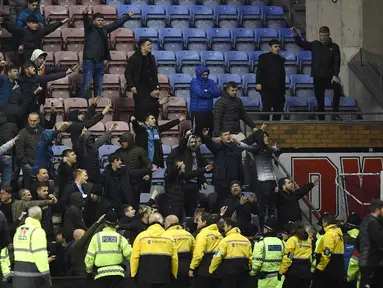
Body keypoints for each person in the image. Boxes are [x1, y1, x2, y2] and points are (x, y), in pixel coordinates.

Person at [79, 8, 134, 99]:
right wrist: (85, 14)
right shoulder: (90, 29)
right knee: (86, 86)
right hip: (89, 61)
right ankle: (81, 106)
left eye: (102, 20)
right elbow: (86, 22)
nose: (101, 22)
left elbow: (116, 24)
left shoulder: (105, 29)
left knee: (99, 88)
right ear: (94, 21)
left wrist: (127, 16)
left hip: (100, 62)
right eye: (98, 20)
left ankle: (96, 108)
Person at [292, 26, 342, 121]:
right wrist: (296, 35)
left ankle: (335, 114)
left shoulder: (334, 47)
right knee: (320, 99)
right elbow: (301, 43)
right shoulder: (315, 44)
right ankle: (321, 119)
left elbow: (337, 62)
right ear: (319, 35)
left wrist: (335, 75)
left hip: (330, 76)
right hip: (318, 76)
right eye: (321, 35)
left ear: (329, 35)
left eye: (325, 36)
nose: (323, 38)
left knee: (337, 89)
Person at [240, 129, 279, 229]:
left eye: (267, 137)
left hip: (272, 182)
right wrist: (237, 142)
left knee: (272, 208)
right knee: (262, 208)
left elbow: (274, 149)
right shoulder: (256, 149)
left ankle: (272, 228)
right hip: (263, 182)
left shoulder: (269, 149)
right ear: (260, 138)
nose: (267, 138)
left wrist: (277, 183)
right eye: (265, 137)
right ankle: (262, 229)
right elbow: (244, 146)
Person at [85, 209, 132, 287]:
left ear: (104, 223)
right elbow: (130, 254)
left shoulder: (97, 237)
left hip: (101, 275)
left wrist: (89, 271)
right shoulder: (120, 238)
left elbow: (89, 257)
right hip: (118, 275)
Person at [130, 213, 178, 288]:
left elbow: (134, 258)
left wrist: (133, 274)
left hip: (144, 278)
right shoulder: (169, 238)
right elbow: (174, 259)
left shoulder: (141, 236)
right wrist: (174, 274)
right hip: (164, 277)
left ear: (149, 221)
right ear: (162, 222)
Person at [167, 130, 208, 217]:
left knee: (193, 208)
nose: (193, 144)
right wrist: (185, 137)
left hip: (195, 185)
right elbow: (181, 146)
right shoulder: (183, 152)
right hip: (185, 184)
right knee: (184, 208)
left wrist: (204, 181)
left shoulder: (197, 153)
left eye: (194, 142)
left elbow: (199, 168)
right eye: (191, 142)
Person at [202, 128, 244, 212]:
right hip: (221, 183)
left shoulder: (235, 148)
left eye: (228, 134)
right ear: (221, 138)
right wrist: (206, 137)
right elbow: (210, 145)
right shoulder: (217, 147)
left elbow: (240, 165)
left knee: (234, 204)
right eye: (225, 135)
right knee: (221, 204)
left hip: (233, 181)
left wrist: (241, 181)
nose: (228, 136)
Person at [0, 15, 69, 61]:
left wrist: (62, 22)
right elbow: (12, 28)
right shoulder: (23, 31)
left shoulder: (40, 31)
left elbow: (51, 28)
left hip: (36, 58)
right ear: (28, 23)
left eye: (36, 23)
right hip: (25, 58)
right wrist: (3, 23)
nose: (35, 24)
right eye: (33, 23)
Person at [13, 206, 51, 288]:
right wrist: (46, 275)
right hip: (33, 277)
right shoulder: (38, 231)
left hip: (18, 274)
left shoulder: (19, 229)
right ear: (40, 216)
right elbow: (40, 255)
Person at [209, 218, 252, 288]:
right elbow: (250, 258)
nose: (224, 228)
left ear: (229, 226)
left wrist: (211, 270)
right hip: (244, 274)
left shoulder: (225, 241)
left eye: (225, 226)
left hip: (229, 275)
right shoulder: (246, 240)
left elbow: (217, 256)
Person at [115, 132, 152, 208]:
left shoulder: (139, 151)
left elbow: (148, 163)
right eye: (121, 142)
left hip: (136, 182)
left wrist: (147, 174)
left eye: (124, 142)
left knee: (135, 205)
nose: (122, 143)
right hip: (123, 182)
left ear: (129, 141)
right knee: (124, 205)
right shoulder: (118, 152)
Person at [125, 38, 159, 120]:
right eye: (148, 45)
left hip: (151, 89)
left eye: (151, 44)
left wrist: (157, 87)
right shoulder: (134, 58)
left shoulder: (151, 58)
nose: (150, 46)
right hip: (139, 89)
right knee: (141, 111)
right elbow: (128, 73)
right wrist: (132, 86)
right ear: (142, 47)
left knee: (154, 112)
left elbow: (154, 74)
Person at [189, 212, 223, 288]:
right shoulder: (220, 235)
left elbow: (198, 254)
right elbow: (220, 251)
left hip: (204, 270)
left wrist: (192, 267)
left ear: (204, 222)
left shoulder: (202, 234)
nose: (197, 222)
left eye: (199, 220)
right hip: (218, 269)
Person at [256, 39, 286, 121]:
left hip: (279, 90)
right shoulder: (263, 57)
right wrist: (258, 83)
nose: (277, 48)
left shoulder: (281, 59)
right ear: (270, 48)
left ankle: (276, 130)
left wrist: (283, 91)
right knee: (266, 109)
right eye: (275, 46)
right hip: (267, 89)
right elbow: (259, 71)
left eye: (279, 47)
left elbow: (282, 76)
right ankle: (264, 131)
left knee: (278, 110)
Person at [312, 214, 344, 288]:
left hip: (327, 270)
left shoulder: (329, 234)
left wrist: (320, 268)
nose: (322, 225)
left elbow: (326, 253)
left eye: (322, 223)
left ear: (325, 223)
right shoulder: (338, 234)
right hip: (337, 269)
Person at [251, 217, 284, 288]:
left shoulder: (260, 243)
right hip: (279, 281)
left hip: (264, 282)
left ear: (267, 229)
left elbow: (256, 263)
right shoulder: (282, 243)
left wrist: (252, 274)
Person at [163, 215, 195, 288]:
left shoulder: (165, 235)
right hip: (186, 269)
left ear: (167, 223)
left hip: (171, 269)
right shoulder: (189, 235)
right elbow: (195, 253)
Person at [357, 199, 383, 288]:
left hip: (366, 262)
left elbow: (357, 242)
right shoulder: (373, 223)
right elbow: (381, 241)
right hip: (372, 262)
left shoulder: (366, 221)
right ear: (377, 210)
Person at [279, 221, 312, 288]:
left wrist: (281, 271)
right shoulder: (308, 240)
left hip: (294, 272)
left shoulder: (292, 240)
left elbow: (289, 257)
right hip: (306, 272)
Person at [190, 66, 221, 136]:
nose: (205, 76)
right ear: (199, 74)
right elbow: (200, 93)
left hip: (209, 112)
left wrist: (208, 90)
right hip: (197, 112)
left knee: (209, 134)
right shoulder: (194, 82)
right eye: (203, 75)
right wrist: (211, 93)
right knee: (198, 134)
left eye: (207, 75)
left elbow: (218, 92)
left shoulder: (211, 82)